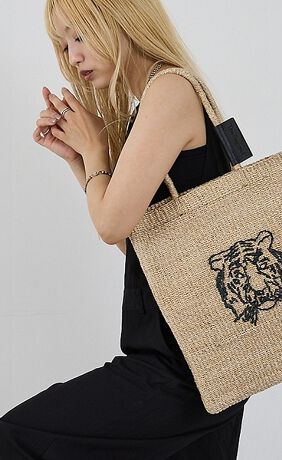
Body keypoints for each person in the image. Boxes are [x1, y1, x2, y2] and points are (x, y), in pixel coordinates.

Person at [0, 0, 249, 458]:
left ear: (120, 20)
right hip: (204, 360)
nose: (73, 56)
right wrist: (80, 159)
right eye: (64, 44)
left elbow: (110, 225)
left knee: (14, 438)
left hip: (183, 367)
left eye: (79, 35)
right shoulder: (152, 102)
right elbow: (139, 249)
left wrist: (97, 152)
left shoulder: (170, 91)